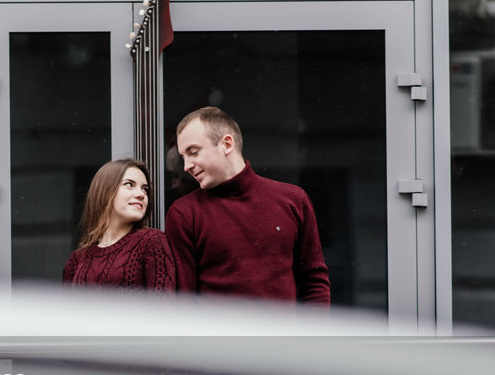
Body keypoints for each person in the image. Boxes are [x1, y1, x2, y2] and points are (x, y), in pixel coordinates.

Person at [166, 106, 331, 303]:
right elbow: (185, 301)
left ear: (227, 144)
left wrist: (311, 333)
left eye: (194, 152)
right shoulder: (184, 213)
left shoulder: (293, 200)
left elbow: (314, 282)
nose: (186, 167)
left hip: (285, 333)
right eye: (184, 157)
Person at [62, 159, 177, 293]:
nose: (141, 194)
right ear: (105, 190)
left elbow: (163, 306)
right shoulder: (77, 259)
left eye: (145, 189)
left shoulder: (151, 241)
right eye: (129, 184)